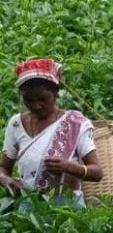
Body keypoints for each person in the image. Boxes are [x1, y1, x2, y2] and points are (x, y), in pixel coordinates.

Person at [0, 59, 102, 208]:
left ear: (56, 93)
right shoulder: (16, 124)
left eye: (42, 99)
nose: (36, 106)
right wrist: (5, 180)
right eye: (29, 100)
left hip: (67, 208)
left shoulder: (75, 123)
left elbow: (97, 172)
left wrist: (68, 166)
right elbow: (4, 167)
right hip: (28, 206)